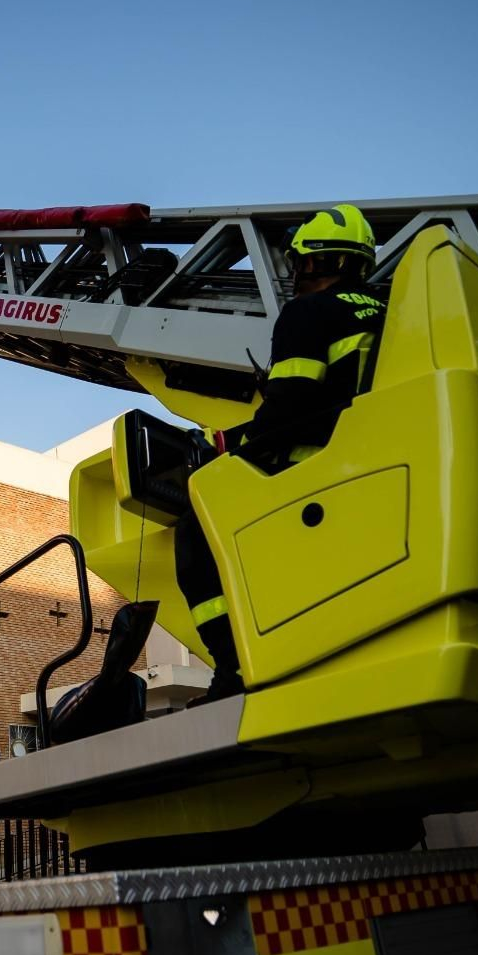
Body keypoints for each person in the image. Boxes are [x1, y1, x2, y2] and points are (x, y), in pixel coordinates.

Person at [174, 204, 386, 706]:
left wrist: (229, 447)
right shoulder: (393, 312)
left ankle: (233, 665)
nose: (295, 275)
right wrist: (233, 438)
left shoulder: (309, 313)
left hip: (312, 465)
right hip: (370, 464)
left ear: (319, 263)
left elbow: (290, 405)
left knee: (197, 530)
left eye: (300, 263)